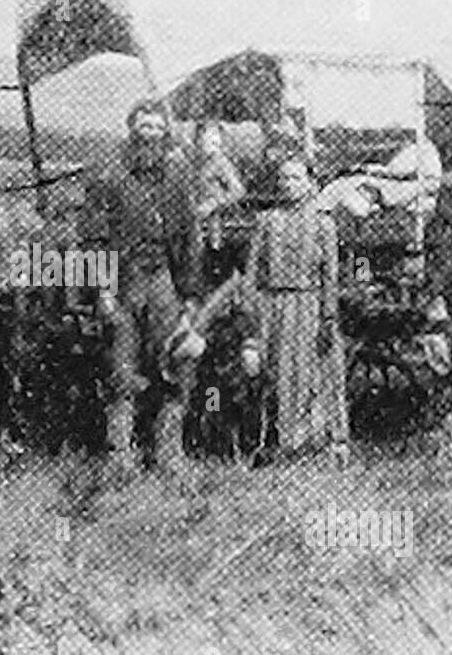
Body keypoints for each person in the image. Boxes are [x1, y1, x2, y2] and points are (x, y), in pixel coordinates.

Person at [81, 98, 204, 488]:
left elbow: (188, 240)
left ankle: (169, 454)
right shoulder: (109, 175)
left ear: (165, 132)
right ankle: (121, 456)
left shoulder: (177, 179)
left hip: (165, 279)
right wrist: (103, 292)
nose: (150, 132)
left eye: (156, 127)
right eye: (143, 126)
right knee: (121, 368)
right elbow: (94, 240)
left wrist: (190, 295)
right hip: (123, 281)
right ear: (131, 128)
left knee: (176, 363)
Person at [244, 158, 349, 465]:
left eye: (296, 178)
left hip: (309, 304)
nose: (289, 183)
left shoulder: (323, 223)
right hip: (273, 306)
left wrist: (328, 317)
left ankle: (317, 443)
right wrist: (252, 317)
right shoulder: (267, 221)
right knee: (274, 375)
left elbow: (330, 274)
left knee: (311, 373)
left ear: (309, 182)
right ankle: (273, 443)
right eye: (284, 178)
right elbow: (253, 272)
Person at [192, 119, 246, 286]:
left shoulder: (221, 163)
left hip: (214, 220)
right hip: (193, 217)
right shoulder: (193, 162)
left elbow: (238, 190)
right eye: (209, 139)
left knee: (212, 255)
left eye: (217, 141)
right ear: (198, 140)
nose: (214, 144)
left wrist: (214, 203)